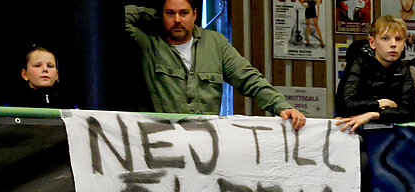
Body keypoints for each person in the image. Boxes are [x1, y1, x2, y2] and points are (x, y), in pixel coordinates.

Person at [124, 1, 306, 124]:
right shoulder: (148, 44)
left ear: (195, 14)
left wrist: (282, 106)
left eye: (183, 13)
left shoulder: (215, 44)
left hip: (204, 148)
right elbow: (121, 19)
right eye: (170, 13)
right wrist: (154, 14)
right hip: (160, 145)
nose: (177, 20)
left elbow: (249, 78)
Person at [335, 16, 415, 132]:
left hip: (389, 133)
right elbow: (345, 105)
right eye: (385, 38)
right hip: (354, 131)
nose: (393, 44)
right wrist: (379, 103)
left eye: (398, 39)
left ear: (403, 44)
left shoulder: (404, 68)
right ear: (372, 43)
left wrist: (374, 114)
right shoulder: (359, 63)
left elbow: (409, 112)